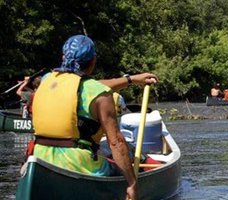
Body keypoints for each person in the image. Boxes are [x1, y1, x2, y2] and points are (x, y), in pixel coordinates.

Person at [31, 35, 157, 199]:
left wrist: (131, 79)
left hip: (40, 157)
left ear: (63, 58)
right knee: (126, 163)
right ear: (93, 61)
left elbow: (88, 85)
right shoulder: (99, 94)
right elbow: (116, 142)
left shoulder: (46, 80)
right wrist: (132, 183)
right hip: (78, 164)